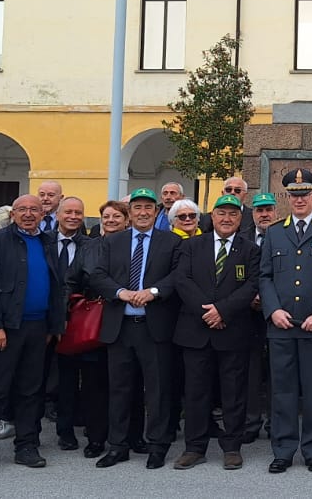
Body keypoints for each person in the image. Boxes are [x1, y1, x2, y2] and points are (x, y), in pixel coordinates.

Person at [88, 188, 183, 469]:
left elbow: (178, 275)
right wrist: (120, 293)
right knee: (119, 389)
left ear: (156, 212)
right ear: (130, 213)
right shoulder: (113, 242)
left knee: (157, 390)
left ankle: (157, 445)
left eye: (148, 208)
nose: (143, 212)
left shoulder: (171, 242)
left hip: (154, 327)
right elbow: (97, 275)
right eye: (138, 207)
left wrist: (153, 291)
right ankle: (118, 445)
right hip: (121, 325)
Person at [0, 194, 66, 475]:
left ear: (42, 214)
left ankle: (26, 446)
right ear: (12, 214)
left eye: (33, 210)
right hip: (6, 328)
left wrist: (53, 326)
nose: (28, 214)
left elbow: (57, 285)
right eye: (22, 209)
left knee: (31, 391)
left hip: (39, 329)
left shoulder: (48, 241)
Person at [260, 168, 312, 474]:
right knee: (282, 392)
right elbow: (265, 276)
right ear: (288, 198)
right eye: (293, 195)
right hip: (280, 325)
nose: (298, 200)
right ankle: (282, 449)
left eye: (304, 195)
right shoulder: (274, 232)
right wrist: (273, 310)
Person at [171, 194, 261, 471]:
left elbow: (251, 285)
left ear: (239, 218)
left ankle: (232, 447)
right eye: (221, 213)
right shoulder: (192, 246)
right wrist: (207, 312)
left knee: (234, 392)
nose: (227, 219)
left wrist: (222, 310)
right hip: (196, 330)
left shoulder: (250, 250)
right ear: (212, 216)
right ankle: (194, 447)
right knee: (196, 391)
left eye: (233, 214)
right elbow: (181, 280)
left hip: (233, 330)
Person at [52, 196, 106, 455]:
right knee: (62, 379)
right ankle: (64, 431)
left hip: (82, 319)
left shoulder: (92, 245)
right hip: (50, 318)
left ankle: (87, 426)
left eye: (78, 212)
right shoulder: (43, 242)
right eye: (68, 212)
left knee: (89, 377)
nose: (73, 216)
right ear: (58, 214)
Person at [242, 192, 279, 444]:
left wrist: (270, 301)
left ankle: (275, 422)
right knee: (251, 372)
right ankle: (251, 421)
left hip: (277, 313)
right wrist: (250, 297)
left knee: (278, 372)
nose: (264, 214)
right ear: (252, 213)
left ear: (276, 211)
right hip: (248, 314)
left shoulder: (282, 236)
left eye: (268, 209)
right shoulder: (242, 237)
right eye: (259, 210)